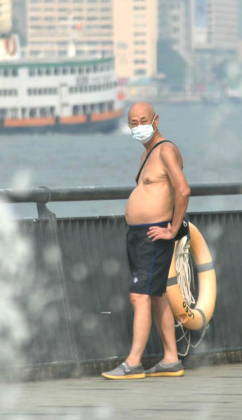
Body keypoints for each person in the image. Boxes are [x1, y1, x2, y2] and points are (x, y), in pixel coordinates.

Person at [101, 102, 191, 380]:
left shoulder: (165, 150)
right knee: (156, 295)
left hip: (155, 234)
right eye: (133, 122)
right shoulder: (146, 156)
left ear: (155, 120)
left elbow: (183, 189)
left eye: (143, 120)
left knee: (139, 296)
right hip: (139, 235)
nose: (138, 126)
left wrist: (172, 230)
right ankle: (170, 359)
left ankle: (133, 363)